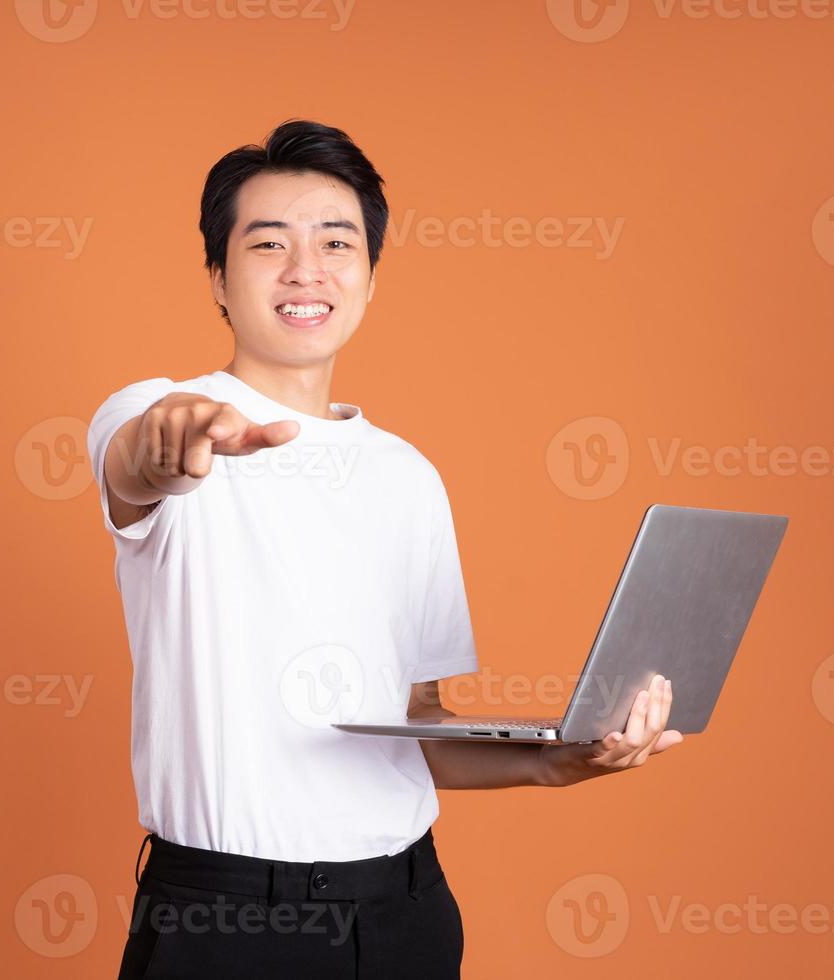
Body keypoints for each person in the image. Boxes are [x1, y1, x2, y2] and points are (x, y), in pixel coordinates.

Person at [88, 119, 683, 979]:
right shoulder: (160, 408)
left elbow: (421, 730)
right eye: (268, 244)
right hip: (223, 923)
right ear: (217, 277)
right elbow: (137, 462)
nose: (307, 270)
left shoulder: (408, 476)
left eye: (337, 243)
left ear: (369, 277)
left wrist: (561, 764)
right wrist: (167, 441)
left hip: (403, 915)